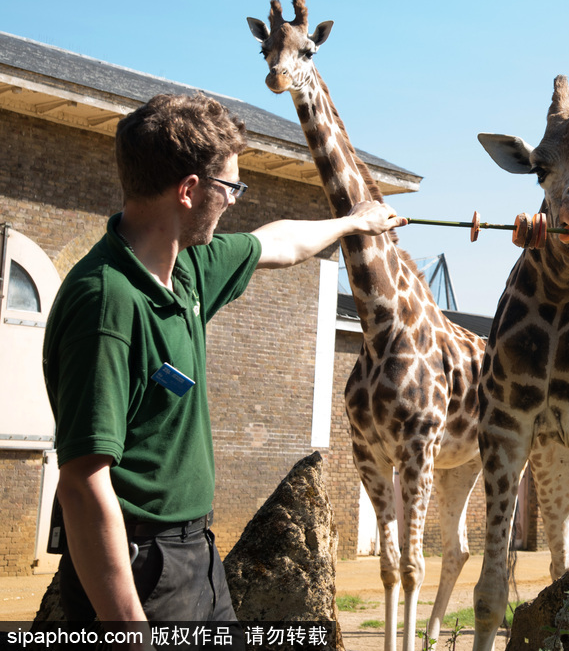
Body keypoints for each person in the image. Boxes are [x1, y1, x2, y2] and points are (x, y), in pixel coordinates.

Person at [43, 93, 406, 641]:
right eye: (231, 187)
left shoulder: (185, 268)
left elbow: (276, 242)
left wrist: (353, 223)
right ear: (189, 190)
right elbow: (81, 484)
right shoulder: (107, 305)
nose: (235, 200)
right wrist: (128, 630)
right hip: (141, 569)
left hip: (195, 554)